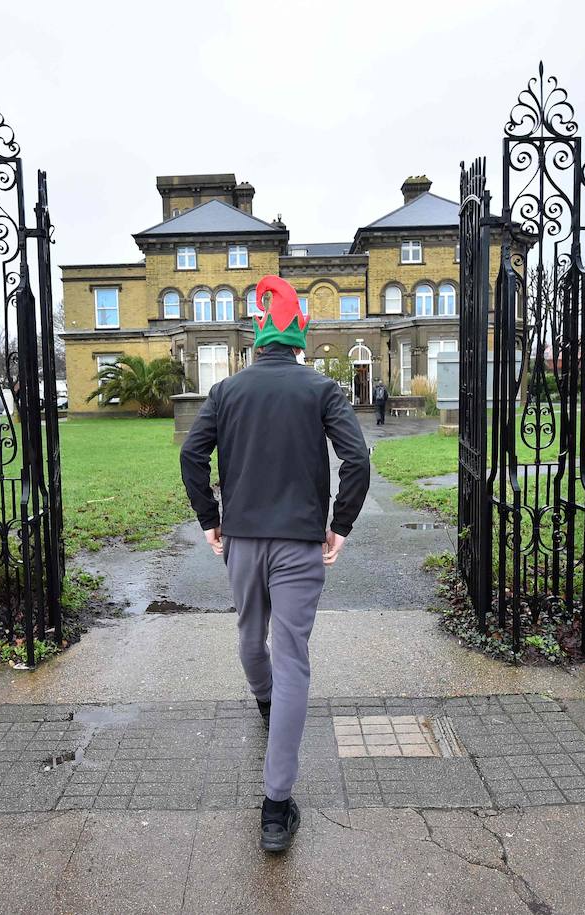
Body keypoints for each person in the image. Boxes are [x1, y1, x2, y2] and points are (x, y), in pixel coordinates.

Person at [180, 274, 369, 853]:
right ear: (299, 339)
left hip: (241, 538)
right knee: (293, 662)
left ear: (258, 340)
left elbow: (192, 453)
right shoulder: (322, 389)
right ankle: (275, 807)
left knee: (249, 638)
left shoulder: (227, 391)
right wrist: (339, 526)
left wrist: (210, 517)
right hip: (298, 544)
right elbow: (356, 458)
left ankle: (266, 705)